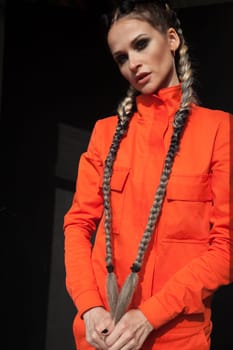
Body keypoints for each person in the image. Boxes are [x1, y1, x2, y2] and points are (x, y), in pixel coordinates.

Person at [63, 1, 233, 349]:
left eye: (141, 44)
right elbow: (77, 225)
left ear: (171, 39)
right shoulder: (105, 134)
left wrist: (150, 315)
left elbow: (225, 249)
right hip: (100, 337)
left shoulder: (218, 130)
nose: (133, 63)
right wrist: (89, 307)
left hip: (176, 339)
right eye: (121, 57)